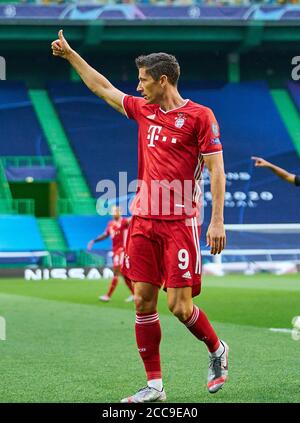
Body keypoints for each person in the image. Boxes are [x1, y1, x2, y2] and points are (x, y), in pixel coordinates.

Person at [52, 30, 228, 403]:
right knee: (143, 301)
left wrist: (216, 221)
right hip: (143, 222)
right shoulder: (144, 110)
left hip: (180, 223)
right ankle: (154, 386)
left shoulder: (199, 117)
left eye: (143, 80)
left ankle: (216, 350)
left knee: (179, 307)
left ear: (163, 80)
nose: (137, 86)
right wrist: (70, 55)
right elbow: (103, 88)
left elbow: (216, 171)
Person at [87, 206, 134, 303]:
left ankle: (108, 295)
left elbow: (133, 218)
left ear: (120, 212)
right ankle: (134, 294)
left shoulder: (124, 222)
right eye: (113, 211)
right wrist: (94, 240)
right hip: (115, 251)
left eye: (116, 211)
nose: (114, 213)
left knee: (116, 272)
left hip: (123, 250)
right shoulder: (111, 224)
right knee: (123, 274)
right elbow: (105, 235)